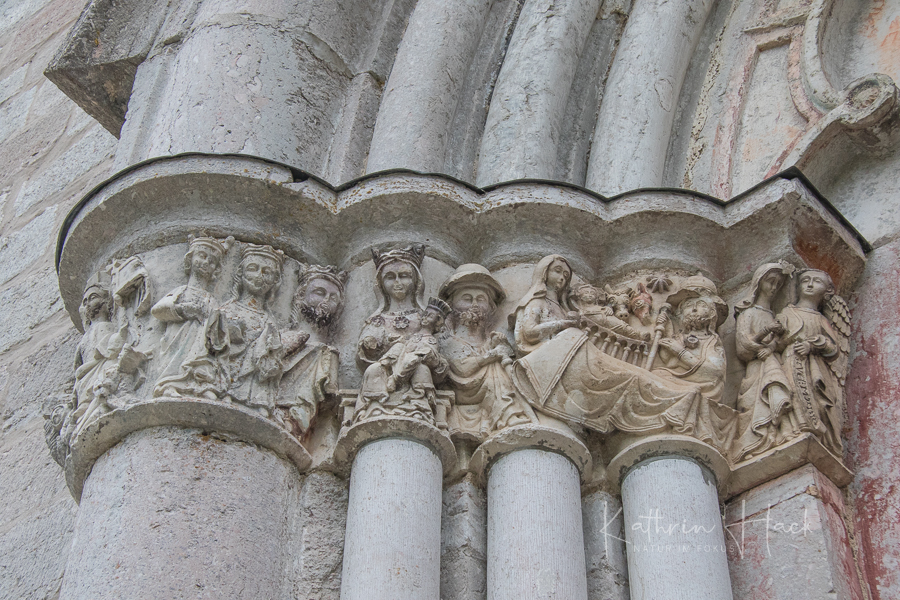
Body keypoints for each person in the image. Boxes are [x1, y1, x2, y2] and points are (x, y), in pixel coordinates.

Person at [438, 264, 537, 441]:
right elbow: (463, 369)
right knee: (495, 370)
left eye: (481, 299)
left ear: (491, 307)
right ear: (452, 306)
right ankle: (508, 413)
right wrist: (493, 355)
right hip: (464, 389)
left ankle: (511, 413)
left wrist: (500, 347)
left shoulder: (490, 341)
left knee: (499, 369)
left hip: (484, 389)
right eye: (467, 299)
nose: (475, 305)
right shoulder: (447, 340)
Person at [354, 245, 449, 425]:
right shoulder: (377, 319)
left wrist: (432, 359)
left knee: (421, 371)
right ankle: (375, 408)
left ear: (416, 280)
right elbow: (363, 356)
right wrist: (369, 345)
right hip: (386, 368)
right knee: (373, 371)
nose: (397, 282)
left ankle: (419, 409)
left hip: (415, 368)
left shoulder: (425, 317)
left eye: (404, 276)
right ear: (381, 284)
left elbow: (440, 357)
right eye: (390, 277)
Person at [205, 243, 294, 416]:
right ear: (240, 272)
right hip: (225, 370)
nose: (259, 276)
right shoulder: (228, 309)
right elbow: (213, 339)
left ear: (275, 280)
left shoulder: (269, 320)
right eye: (253, 269)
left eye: (267, 272)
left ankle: (258, 401)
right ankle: (224, 391)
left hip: (255, 379)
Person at [776, 269, 849, 456]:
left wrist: (812, 345)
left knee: (820, 400)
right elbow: (777, 342)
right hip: (790, 361)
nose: (809, 284)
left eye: (816, 281)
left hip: (815, 365)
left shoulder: (821, 319)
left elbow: (834, 349)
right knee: (791, 393)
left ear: (827, 291)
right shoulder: (787, 312)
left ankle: (820, 435)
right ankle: (795, 430)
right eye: (805, 280)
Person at [152, 234, 233, 398]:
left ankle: (201, 386)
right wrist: (184, 310)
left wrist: (216, 321)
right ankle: (168, 384)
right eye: (201, 256)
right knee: (175, 359)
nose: (206, 263)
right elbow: (157, 310)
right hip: (178, 337)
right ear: (189, 260)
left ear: (216, 270)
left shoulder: (210, 299)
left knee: (202, 362)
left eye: (212, 261)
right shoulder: (182, 291)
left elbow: (217, 327)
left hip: (200, 343)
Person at [732, 262, 796, 461]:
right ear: (758, 283)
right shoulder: (748, 313)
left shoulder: (774, 315)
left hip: (772, 362)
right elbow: (743, 345)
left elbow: (779, 342)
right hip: (756, 367)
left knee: (778, 394)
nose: (774, 287)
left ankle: (780, 432)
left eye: (779, 283)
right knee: (757, 403)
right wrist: (767, 332)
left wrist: (771, 346)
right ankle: (755, 442)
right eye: (770, 281)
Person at [276, 264, 348, 436]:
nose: (326, 300)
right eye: (319, 293)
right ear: (301, 295)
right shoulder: (279, 337)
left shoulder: (328, 353)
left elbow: (330, 402)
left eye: (333, 297)